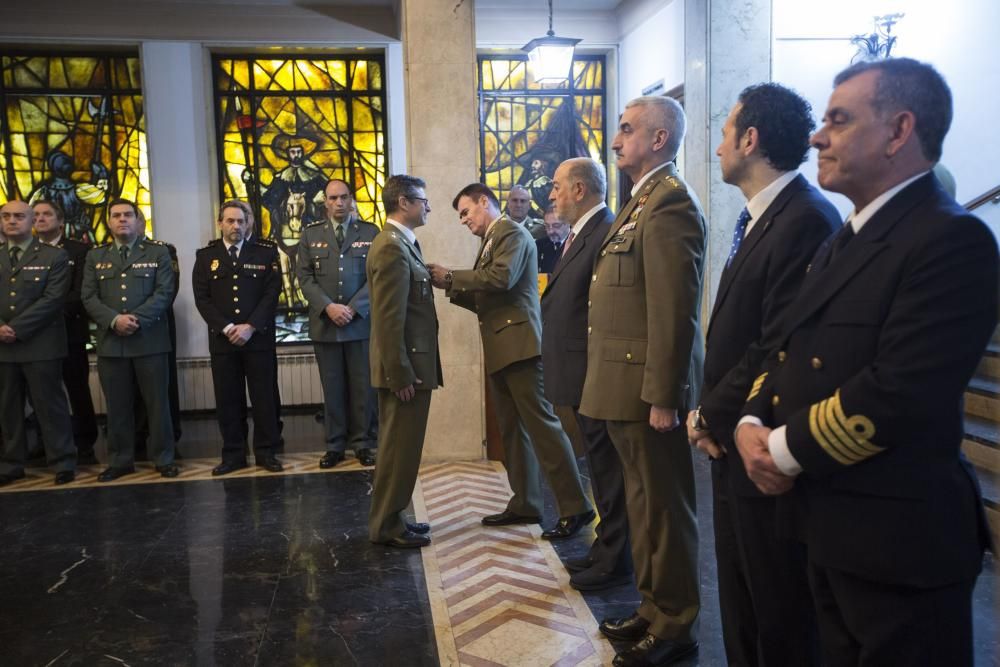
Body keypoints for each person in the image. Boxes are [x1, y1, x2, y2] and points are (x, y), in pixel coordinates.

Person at [735, 58, 998, 667]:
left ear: (899, 131)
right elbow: (788, 346)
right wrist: (751, 418)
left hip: (898, 542)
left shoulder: (950, 239)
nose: (816, 136)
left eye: (839, 119)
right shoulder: (845, 238)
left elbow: (900, 391)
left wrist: (778, 449)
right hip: (829, 523)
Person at [686, 83, 839, 667]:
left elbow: (773, 342)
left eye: (725, 132)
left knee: (778, 612)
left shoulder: (804, 219)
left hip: (764, 438)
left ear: (750, 140)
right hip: (734, 439)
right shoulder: (760, 217)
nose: (718, 145)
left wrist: (712, 414)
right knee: (743, 602)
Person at [580, 96, 704, 667]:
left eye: (626, 130)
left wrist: (664, 395)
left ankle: (675, 626)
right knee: (640, 503)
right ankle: (653, 608)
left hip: (645, 390)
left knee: (663, 509)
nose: (615, 139)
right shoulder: (640, 203)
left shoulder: (669, 205)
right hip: (621, 385)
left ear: (658, 139)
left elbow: (673, 311)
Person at [428, 184, 593, 539]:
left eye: (466, 212)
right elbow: (488, 297)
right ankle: (526, 503)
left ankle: (575, 507)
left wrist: (452, 277)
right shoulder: (492, 239)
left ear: (484, 202)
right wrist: (451, 287)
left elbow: (501, 279)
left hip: (520, 346)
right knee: (512, 430)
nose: (463, 221)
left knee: (543, 428)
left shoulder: (511, 233)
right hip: (501, 347)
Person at [542, 157, 632, 591]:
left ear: (579, 190)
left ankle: (616, 560)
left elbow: (604, 315)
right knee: (599, 470)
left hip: (592, 375)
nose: (552, 195)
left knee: (609, 474)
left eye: (557, 187)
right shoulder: (583, 233)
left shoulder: (603, 232)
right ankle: (604, 547)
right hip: (577, 374)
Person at [367, 175, 442, 548]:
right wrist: (400, 373)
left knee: (403, 448)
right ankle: (386, 525)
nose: (428, 207)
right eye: (423, 200)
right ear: (404, 202)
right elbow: (388, 318)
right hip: (405, 370)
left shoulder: (402, 244)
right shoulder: (391, 248)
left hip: (410, 366)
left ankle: (393, 516)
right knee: (398, 449)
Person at [82, 198, 178, 481]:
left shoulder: (158, 252)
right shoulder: (95, 256)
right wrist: (114, 320)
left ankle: (163, 458)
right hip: (112, 343)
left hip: (150, 340)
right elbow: (88, 296)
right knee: (117, 406)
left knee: (158, 404)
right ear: (109, 222)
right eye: (116, 215)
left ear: (138, 221)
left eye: (128, 215)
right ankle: (120, 460)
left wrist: (135, 319)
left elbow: (164, 292)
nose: (122, 219)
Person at [192, 200, 284, 476]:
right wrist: (228, 327)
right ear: (220, 223)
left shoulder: (265, 253)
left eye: (241, 221)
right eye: (230, 221)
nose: (236, 226)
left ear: (249, 224)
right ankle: (233, 454)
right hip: (224, 341)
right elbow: (202, 299)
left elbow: (271, 294)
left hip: (258, 340)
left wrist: (250, 326)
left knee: (264, 398)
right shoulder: (206, 257)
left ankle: (267, 452)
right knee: (228, 399)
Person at [296, 179, 379, 468]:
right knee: (332, 388)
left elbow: (377, 276)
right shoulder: (310, 235)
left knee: (363, 387)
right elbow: (304, 278)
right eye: (333, 198)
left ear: (351, 199)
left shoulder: (370, 232)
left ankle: (364, 442)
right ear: (325, 202)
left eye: (344, 197)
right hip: (326, 324)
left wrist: (354, 308)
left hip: (360, 324)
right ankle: (335, 445)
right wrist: (329, 307)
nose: (339, 203)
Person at [0, 200, 77, 486]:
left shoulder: (53, 257)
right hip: (3, 346)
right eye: (6, 216)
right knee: (7, 408)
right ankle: (11, 463)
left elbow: (53, 299)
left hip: (41, 343)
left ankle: (62, 461)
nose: (11, 221)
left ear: (32, 221)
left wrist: (15, 328)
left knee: (50, 405)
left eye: (19, 216)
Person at [33, 199, 100, 464]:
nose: (40, 219)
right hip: (35, 337)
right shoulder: (26, 253)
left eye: (47, 214)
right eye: (36, 214)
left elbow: (80, 293)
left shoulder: (79, 250)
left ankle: (85, 442)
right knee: (41, 392)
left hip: (68, 331)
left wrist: (45, 313)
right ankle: (45, 441)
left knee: (77, 389)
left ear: (60, 221)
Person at [535, 207, 571, 274]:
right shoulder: (539, 245)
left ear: (568, 223)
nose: (551, 231)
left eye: (556, 225)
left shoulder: (577, 242)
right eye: (547, 226)